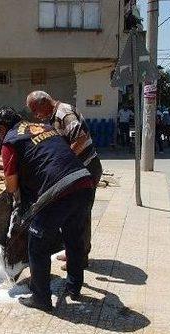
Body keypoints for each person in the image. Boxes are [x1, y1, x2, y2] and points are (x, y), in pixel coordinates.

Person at [0, 106, 94, 311]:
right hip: (84, 183)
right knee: (73, 238)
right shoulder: (43, 127)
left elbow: (11, 186)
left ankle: (41, 298)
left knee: (37, 245)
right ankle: (74, 288)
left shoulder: (11, 140)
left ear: (2, 128)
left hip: (58, 191)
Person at [26, 91, 102, 268]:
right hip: (76, 169)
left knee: (80, 214)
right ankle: (73, 252)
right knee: (72, 214)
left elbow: (81, 137)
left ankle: (80, 258)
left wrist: (65, 162)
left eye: (36, 110)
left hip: (86, 168)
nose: (36, 115)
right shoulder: (53, 116)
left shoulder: (63, 113)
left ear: (45, 102)